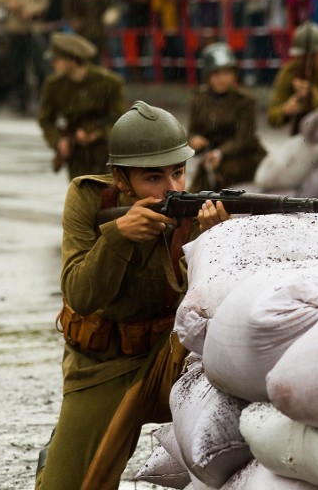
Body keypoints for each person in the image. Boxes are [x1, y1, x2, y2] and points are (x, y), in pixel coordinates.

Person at [34, 101, 231, 490]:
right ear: (122, 180)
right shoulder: (90, 199)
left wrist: (215, 240)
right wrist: (118, 237)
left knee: (244, 387)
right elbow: (80, 294)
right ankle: (61, 452)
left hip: (167, 355)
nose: (173, 188)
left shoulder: (194, 211)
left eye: (178, 172)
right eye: (153, 178)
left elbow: (209, 302)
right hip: (101, 363)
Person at [38, 32, 126, 180]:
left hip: (106, 152)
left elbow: (120, 119)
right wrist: (59, 141)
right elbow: (45, 120)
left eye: (56, 59)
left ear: (72, 60)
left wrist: (98, 133)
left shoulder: (109, 82)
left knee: (109, 196)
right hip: (76, 153)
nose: (52, 64)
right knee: (80, 194)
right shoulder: (53, 85)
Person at [187, 43, 267, 192]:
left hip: (242, 158)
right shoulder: (199, 98)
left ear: (234, 74)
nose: (221, 79)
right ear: (208, 76)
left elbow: (244, 139)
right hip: (211, 159)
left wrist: (220, 153)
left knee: (218, 183)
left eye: (226, 73)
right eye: (216, 74)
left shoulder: (245, 100)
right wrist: (193, 140)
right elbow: (192, 131)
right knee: (195, 191)